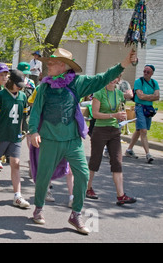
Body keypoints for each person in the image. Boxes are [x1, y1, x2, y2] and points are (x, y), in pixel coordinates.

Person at [29, 47, 136, 235]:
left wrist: (124, 63)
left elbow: (101, 78)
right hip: (50, 139)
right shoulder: (44, 87)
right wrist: (32, 132)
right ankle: (38, 208)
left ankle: (76, 214)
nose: (48, 66)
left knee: (83, 174)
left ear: (63, 66)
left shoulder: (78, 83)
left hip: (72, 140)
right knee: (43, 176)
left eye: (52, 63)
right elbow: (36, 110)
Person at [87, 76, 137, 205]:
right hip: (100, 130)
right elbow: (95, 114)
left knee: (117, 161)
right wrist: (114, 115)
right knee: (95, 160)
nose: (112, 80)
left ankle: (121, 195)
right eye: (110, 77)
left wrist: (121, 116)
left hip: (114, 131)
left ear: (118, 80)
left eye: (115, 78)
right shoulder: (99, 93)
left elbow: (120, 110)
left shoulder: (119, 94)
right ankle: (88, 188)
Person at [0, 70, 31, 208]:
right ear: (11, 82)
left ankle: (17, 195)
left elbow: (24, 116)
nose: (20, 87)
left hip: (15, 135)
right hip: (1, 134)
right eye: (18, 84)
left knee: (15, 163)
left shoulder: (22, 96)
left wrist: (24, 132)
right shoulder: (0, 96)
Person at [125, 64, 160, 163]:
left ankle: (129, 150)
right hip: (139, 107)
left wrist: (146, 96)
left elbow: (157, 96)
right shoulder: (138, 82)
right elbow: (140, 96)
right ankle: (148, 154)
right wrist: (151, 96)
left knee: (139, 130)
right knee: (143, 131)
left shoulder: (154, 83)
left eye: (148, 72)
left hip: (149, 109)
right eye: (144, 71)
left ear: (152, 73)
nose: (145, 73)